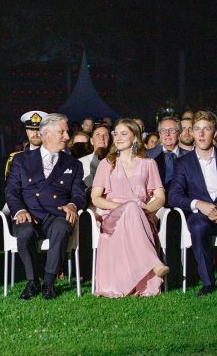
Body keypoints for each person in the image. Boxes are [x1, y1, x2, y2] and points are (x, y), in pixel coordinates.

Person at [5, 113, 86, 300]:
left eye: (67, 132)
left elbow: (79, 193)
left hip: (57, 214)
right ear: (46, 134)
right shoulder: (21, 160)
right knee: (24, 233)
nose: (67, 137)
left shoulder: (73, 164)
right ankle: (33, 281)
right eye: (62, 132)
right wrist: (20, 210)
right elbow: (11, 191)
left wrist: (73, 205)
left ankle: (49, 282)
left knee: (61, 228)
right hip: (29, 214)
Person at [168, 111, 217, 297]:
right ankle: (207, 282)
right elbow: (174, 196)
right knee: (197, 226)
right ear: (192, 133)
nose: (202, 134)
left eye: (207, 129)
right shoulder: (183, 163)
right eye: (197, 129)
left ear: (215, 133)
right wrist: (198, 205)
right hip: (200, 215)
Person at [91, 119, 168, 297]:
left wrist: (144, 211)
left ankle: (144, 274)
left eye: (123, 133)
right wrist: (124, 207)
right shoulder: (106, 164)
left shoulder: (149, 164)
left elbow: (160, 198)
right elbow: (95, 198)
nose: (118, 137)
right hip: (113, 217)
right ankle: (154, 263)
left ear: (135, 138)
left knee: (134, 208)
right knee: (131, 207)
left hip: (142, 215)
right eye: (115, 133)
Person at [146, 117, 189, 199]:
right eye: (163, 131)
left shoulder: (190, 157)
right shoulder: (148, 155)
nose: (167, 134)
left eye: (172, 130)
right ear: (159, 134)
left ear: (179, 134)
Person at [4, 110, 47, 180]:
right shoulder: (14, 160)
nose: (35, 134)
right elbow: (11, 188)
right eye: (31, 129)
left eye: (38, 129)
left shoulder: (57, 157)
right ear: (26, 131)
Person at [79, 124, 111, 190]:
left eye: (105, 135)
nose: (102, 138)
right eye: (98, 134)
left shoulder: (116, 161)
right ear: (91, 141)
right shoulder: (81, 162)